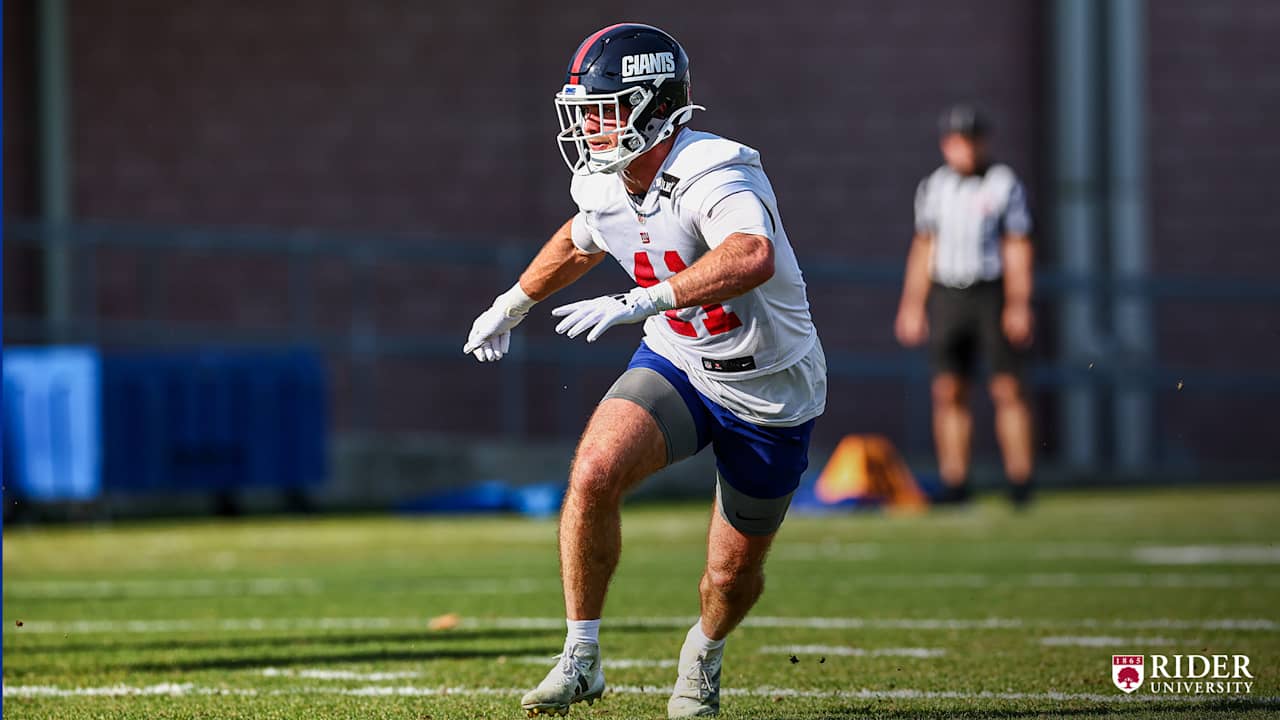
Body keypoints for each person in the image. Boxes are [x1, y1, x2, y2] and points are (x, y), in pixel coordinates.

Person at [462, 23, 826, 719]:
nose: (589, 126)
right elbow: (581, 239)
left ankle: (705, 653)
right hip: (681, 359)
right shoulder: (603, 179)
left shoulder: (719, 167)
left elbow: (751, 254)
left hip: (768, 385)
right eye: (584, 111)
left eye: (604, 108)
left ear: (655, 108)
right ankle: (581, 655)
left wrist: (645, 298)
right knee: (594, 471)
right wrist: (512, 303)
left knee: (729, 575)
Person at [894, 104, 1035, 507]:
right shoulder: (934, 186)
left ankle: (1020, 481)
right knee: (949, 389)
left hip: (990, 291)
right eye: (958, 141)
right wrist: (912, 304)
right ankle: (956, 480)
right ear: (946, 145)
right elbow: (924, 245)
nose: (966, 150)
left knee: (1008, 387)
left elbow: (1018, 245)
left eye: (972, 140)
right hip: (948, 294)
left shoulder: (1003, 184)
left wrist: (1019, 303)